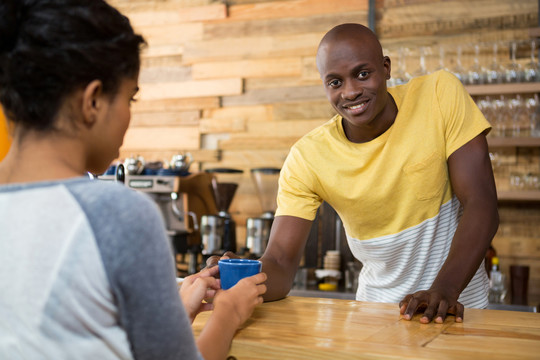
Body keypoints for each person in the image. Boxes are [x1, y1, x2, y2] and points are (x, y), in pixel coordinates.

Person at [0, 1, 266, 359]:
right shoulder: (117, 213)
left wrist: (179, 313)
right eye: (130, 97)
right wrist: (229, 313)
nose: (129, 115)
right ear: (93, 101)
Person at [208, 23, 499, 324]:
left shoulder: (439, 95)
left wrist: (445, 290)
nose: (350, 92)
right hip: (375, 320)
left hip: (457, 311)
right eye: (335, 82)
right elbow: (280, 261)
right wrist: (241, 278)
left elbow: (482, 203)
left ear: (385, 68)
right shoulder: (308, 157)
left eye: (363, 74)